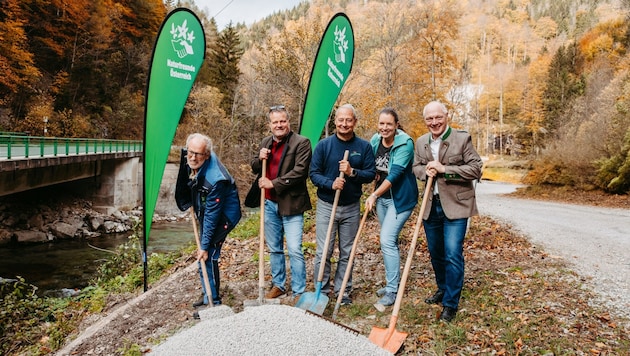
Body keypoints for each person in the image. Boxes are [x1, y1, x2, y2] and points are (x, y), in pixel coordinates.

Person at [412, 101, 483, 322]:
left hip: (456, 205)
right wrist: (426, 170)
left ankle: (450, 303)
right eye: (429, 119)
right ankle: (443, 288)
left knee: (452, 253)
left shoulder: (462, 139)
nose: (434, 122)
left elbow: (476, 168)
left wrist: (445, 170)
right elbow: (416, 167)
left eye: (437, 117)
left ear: (446, 116)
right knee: (436, 253)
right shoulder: (421, 142)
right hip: (430, 206)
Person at [309, 104, 376, 305]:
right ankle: (321, 289)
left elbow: (371, 174)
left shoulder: (363, 147)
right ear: (335, 121)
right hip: (327, 205)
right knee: (324, 251)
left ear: (354, 122)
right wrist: (331, 183)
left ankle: (342, 291)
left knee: (347, 250)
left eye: (348, 120)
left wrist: (351, 173)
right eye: (341, 120)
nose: (344, 124)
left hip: (351, 207)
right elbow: (313, 174)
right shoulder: (324, 146)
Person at [246, 105, 312, 300]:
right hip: (268, 204)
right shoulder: (266, 142)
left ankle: (299, 291)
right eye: (275, 122)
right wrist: (259, 158)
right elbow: (254, 167)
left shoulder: (301, 143)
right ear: (270, 125)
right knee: (275, 248)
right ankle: (279, 285)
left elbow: (300, 172)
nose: (279, 125)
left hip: (291, 205)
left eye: (282, 121)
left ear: (288, 122)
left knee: (294, 249)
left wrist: (273, 183)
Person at [175, 133, 242, 311]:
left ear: (207, 155)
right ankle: (208, 295)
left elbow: (213, 216)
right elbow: (184, 179)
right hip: (206, 210)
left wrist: (204, 246)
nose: (193, 157)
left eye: (198, 154)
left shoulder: (216, 179)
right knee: (203, 255)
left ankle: (214, 301)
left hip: (224, 216)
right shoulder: (189, 158)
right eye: (191, 152)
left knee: (208, 254)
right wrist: (187, 200)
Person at [365, 107, 418, 307]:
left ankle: (392, 291)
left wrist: (373, 194)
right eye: (381, 124)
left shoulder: (405, 144)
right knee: (389, 242)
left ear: (396, 125)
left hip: (400, 199)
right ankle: (391, 283)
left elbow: (394, 175)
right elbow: (371, 166)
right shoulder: (375, 140)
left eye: (389, 124)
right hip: (383, 200)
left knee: (386, 240)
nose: (384, 128)